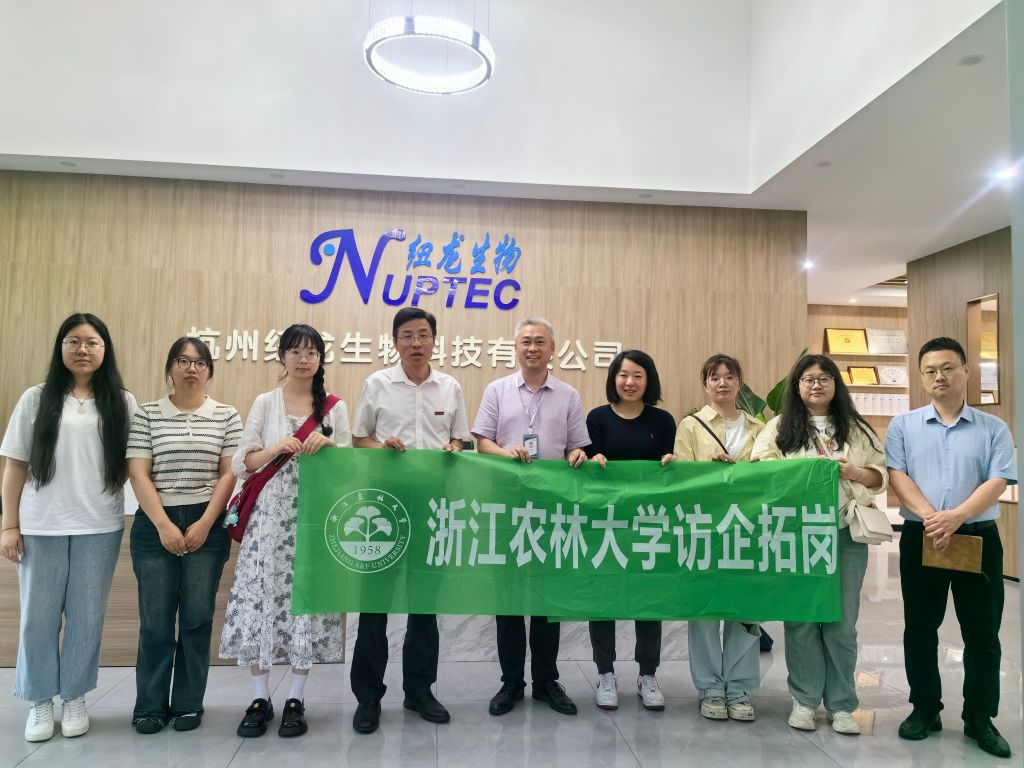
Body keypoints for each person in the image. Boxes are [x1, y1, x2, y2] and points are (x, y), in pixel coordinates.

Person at [0, 313, 135, 742]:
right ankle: (40, 700)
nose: (83, 349)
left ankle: (74, 695)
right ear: (61, 347)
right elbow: (14, 464)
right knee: (37, 619)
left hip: (100, 525)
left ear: (105, 350)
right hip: (42, 524)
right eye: (73, 341)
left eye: (92, 342)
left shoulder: (122, 402)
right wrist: (9, 524)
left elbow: (135, 464)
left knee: (86, 618)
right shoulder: (36, 399)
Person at [887, 337, 1017, 759]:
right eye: (930, 370)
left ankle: (980, 717)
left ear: (965, 371)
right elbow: (898, 475)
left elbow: (998, 479)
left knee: (982, 632)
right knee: (920, 627)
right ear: (921, 376)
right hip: (921, 536)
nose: (939, 376)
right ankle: (925, 709)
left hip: (976, 537)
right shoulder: (903, 426)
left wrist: (956, 516)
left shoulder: (993, 428)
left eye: (947, 368)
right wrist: (934, 518)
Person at [219, 324, 351, 739]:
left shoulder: (334, 408)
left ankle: (296, 698)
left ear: (320, 359)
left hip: (313, 518)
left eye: (311, 352)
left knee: (305, 604)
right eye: (295, 351)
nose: (303, 358)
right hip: (268, 521)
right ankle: (260, 698)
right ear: (282, 357)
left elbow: (350, 467)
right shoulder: (265, 402)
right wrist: (277, 447)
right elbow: (242, 463)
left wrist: (330, 446)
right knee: (261, 601)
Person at [349, 307, 470, 735]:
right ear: (395, 341)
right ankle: (368, 698)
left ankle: (419, 691)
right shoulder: (377, 384)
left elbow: (459, 438)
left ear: (434, 340)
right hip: (383, 507)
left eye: (423, 335)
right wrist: (381, 447)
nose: (416, 343)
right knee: (374, 605)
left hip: (433, 507)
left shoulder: (450, 387)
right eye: (407, 335)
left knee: (424, 604)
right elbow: (358, 439)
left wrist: (454, 447)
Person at [751, 354, 886, 735]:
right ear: (797, 386)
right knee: (801, 621)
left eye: (824, 378)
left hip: (844, 534)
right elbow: (759, 467)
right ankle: (805, 700)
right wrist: (799, 473)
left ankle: (842, 705)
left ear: (835, 385)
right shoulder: (780, 426)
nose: (816, 385)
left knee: (842, 624)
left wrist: (855, 472)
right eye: (808, 379)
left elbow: (881, 476)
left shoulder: (856, 428)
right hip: (797, 535)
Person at [472, 316, 590, 717]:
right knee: (507, 599)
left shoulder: (568, 394)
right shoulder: (497, 390)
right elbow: (481, 442)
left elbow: (577, 447)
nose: (533, 348)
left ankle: (545, 681)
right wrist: (507, 454)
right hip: (506, 506)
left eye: (540, 341)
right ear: (516, 348)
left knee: (546, 599)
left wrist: (578, 454)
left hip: (551, 508)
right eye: (526, 342)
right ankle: (511, 682)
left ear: (552, 348)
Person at [126, 337, 242, 734]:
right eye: (182, 361)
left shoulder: (226, 415)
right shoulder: (147, 414)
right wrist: (163, 524)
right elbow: (138, 473)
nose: (191, 368)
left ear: (209, 370)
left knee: (196, 618)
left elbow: (229, 474)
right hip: (154, 522)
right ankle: (149, 707)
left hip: (206, 521)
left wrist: (207, 521)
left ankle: (189, 703)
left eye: (199, 362)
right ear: (170, 368)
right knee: (155, 622)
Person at [674, 354, 764, 721]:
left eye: (729, 377)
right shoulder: (690, 426)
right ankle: (710, 688)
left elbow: (769, 474)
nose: (722, 383)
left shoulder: (760, 427)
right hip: (705, 530)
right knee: (705, 612)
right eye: (714, 377)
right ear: (705, 384)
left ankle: (739, 689)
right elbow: (681, 477)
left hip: (749, 529)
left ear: (740, 382)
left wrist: (740, 472)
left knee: (746, 610)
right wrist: (710, 473)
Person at [585, 349, 675, 712]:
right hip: (606, 523)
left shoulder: (663, 420)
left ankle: (647, 674)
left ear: (648, 380)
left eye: (638, 375)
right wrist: (592, 460)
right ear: (613, 379)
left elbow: (671, 468)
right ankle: (605, 673)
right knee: (602, 600)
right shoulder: (597, 418)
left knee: (648, 600)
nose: (630, 382)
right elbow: (589, 465)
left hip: (649, 523)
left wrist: (672, 463)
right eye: (623, 374)